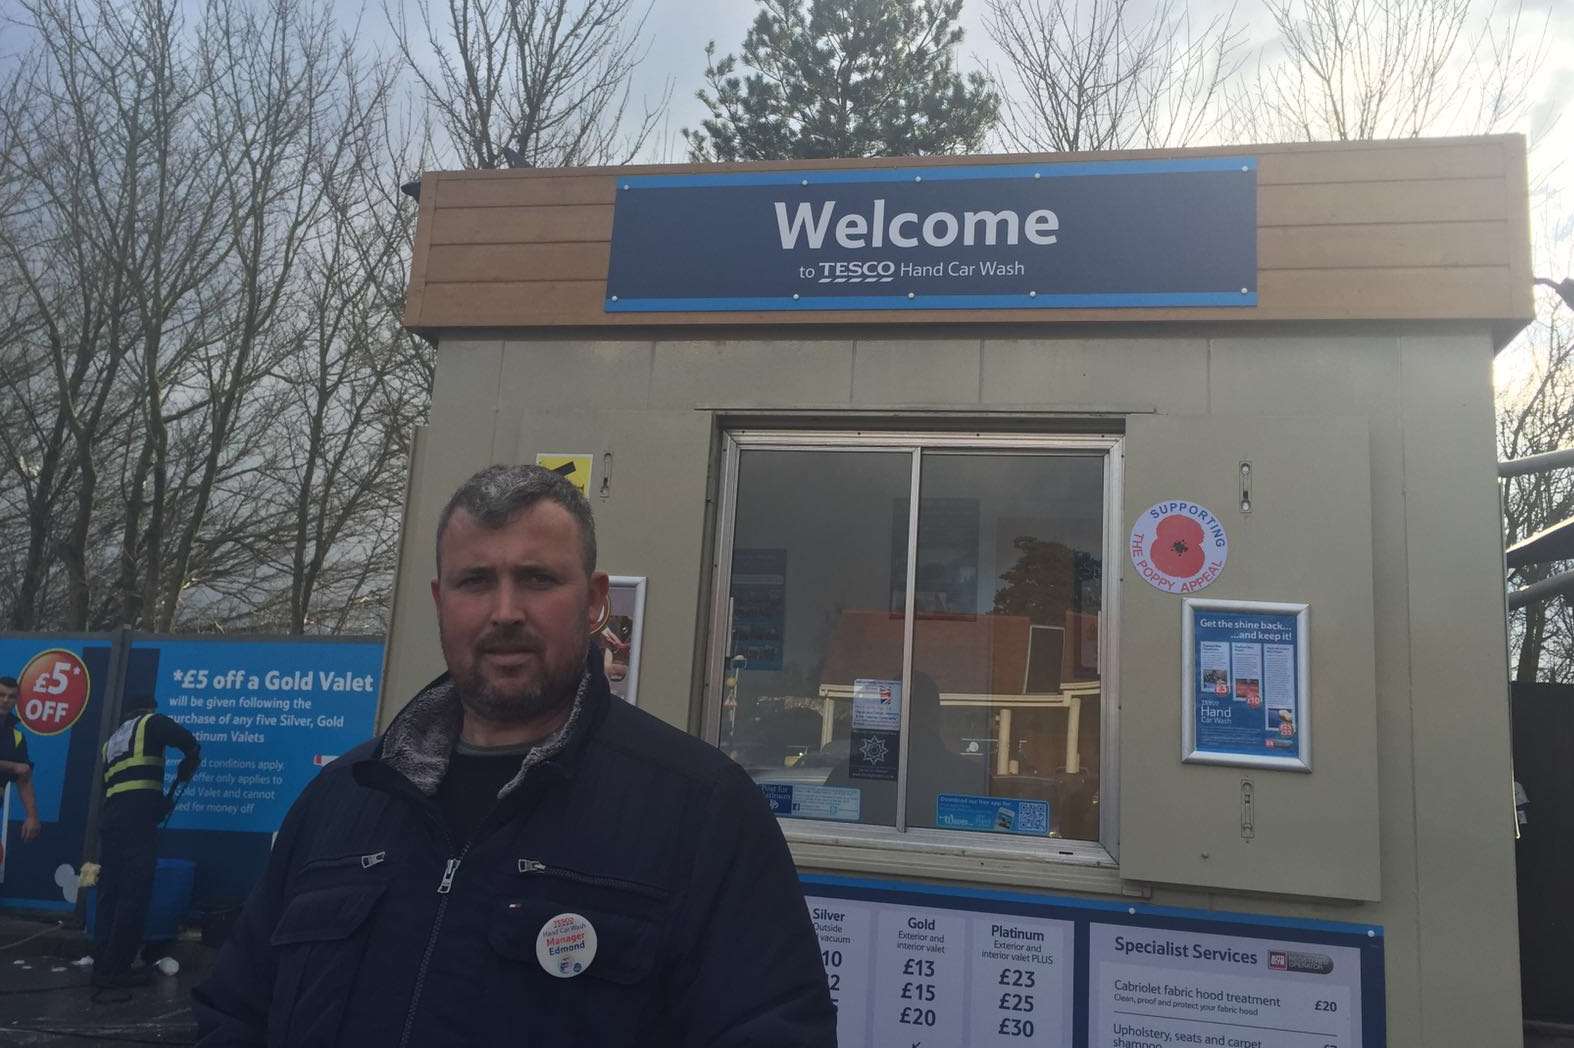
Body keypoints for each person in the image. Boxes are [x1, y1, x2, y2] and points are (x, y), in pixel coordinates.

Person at [193, 464, 836, 1047]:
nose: (505, 613)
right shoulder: (342, 799)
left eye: (537, 579)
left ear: (593, 602)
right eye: (476, 582)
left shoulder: (702, 811)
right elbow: (235, 1014)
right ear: (441, 602)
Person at [94, 693, 201, 989]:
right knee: (134, 892)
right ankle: (119, 968)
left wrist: (158, 802)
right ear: (150, 707)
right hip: (137, 821)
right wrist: (189, 763)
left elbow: (121, 784)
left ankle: (102, 964)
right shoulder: (151, 722)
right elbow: (188, 742)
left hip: (112, 818)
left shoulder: (112, 742)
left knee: (110, 893)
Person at [0, 676, 42, 866]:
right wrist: (12, 766)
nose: (5, 700)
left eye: (11, 696)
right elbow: (18, 768)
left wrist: (32, 816)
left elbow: (24, 779)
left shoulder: (17, 737)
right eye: (1, 695)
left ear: (17, 700)